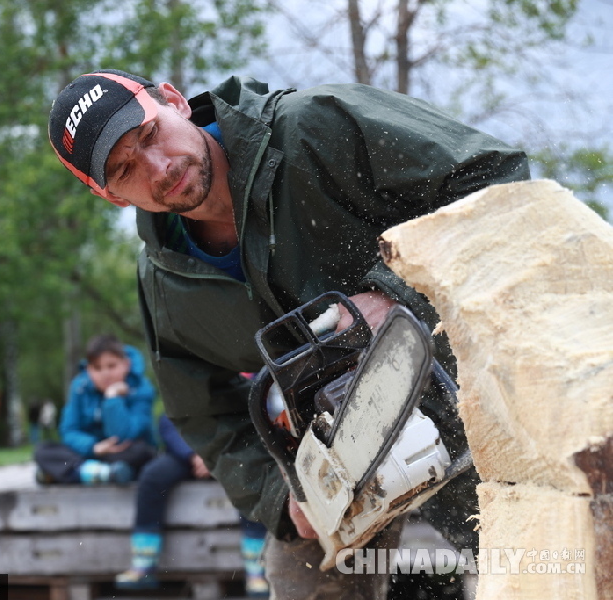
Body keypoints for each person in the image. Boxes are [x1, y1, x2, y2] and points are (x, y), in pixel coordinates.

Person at [47, 69, 530, 598]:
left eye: (149, 134)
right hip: (334, 461)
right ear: (110, 195)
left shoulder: (314, 127)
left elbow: (492, 176)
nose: (160, 167)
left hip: (476, 400)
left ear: (174, 101)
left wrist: (398, 291)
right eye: (125, 169)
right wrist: (281, 495)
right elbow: (202, 410)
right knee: (300, 580)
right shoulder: (164, 279)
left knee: (545, 566)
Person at [116, 414, 269, 597]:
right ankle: (144, 563)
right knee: (152, 476)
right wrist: (193, 455)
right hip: (187, 454)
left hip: (231, 454)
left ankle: (257, 570)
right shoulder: (179, 386)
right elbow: (168, 422)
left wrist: (214, 455)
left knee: (250, 477)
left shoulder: (247, 384)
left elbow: (248, 420)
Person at [34, 334, 156, 484]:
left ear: (126, 364)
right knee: (43, 450)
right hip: (93, 452)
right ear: (88, 369)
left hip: (123, 451)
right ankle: (103, 473)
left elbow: (123, 436)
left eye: (111, 366)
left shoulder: (142, 390)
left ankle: (71, 473)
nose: (105, 374)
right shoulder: (79, 387)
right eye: (97, 368)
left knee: (142, 452)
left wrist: (112, 398)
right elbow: (69, 430)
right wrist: (93, 447)